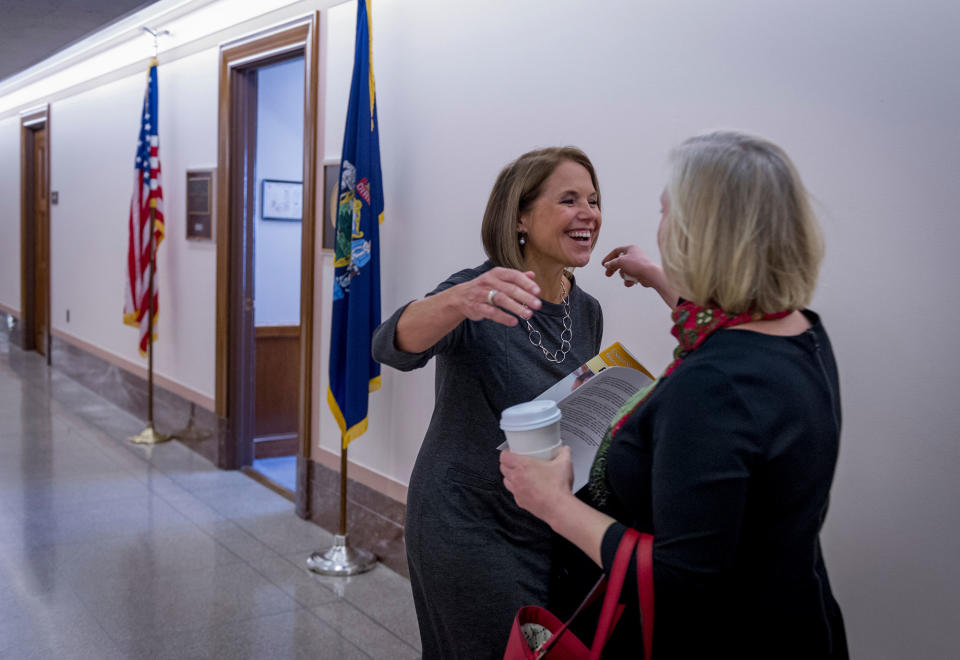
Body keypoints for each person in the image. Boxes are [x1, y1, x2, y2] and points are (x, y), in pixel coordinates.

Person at [501, 132, 848, 658]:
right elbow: (729, 325)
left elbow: (679, 578)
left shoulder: (710, 388)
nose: (590, 214)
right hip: (796, 617)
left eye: (666, 213)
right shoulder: (802, 333)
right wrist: (663, 280)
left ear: (701, 234)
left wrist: (551, 503)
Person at [371, 147, 606, 659]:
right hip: (468, 521)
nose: (588, 213)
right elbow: (390, 346)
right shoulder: (479, 291)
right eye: (568, 199)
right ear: (520, 215)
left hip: (549, 523)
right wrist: (457, 301)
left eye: (593, 199)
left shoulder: (587, 309)